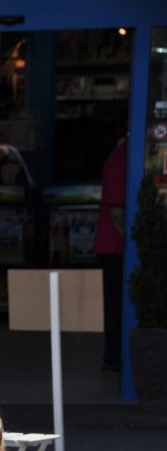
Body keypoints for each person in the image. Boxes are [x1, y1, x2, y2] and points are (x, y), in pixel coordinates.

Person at [95, 134, 127, 372]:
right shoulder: (119, 160)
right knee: (115, 304)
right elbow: (116, 209)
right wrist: (134, 243)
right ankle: (113, 357)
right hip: (115, 247)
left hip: (117, 245)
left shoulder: (122, 157)